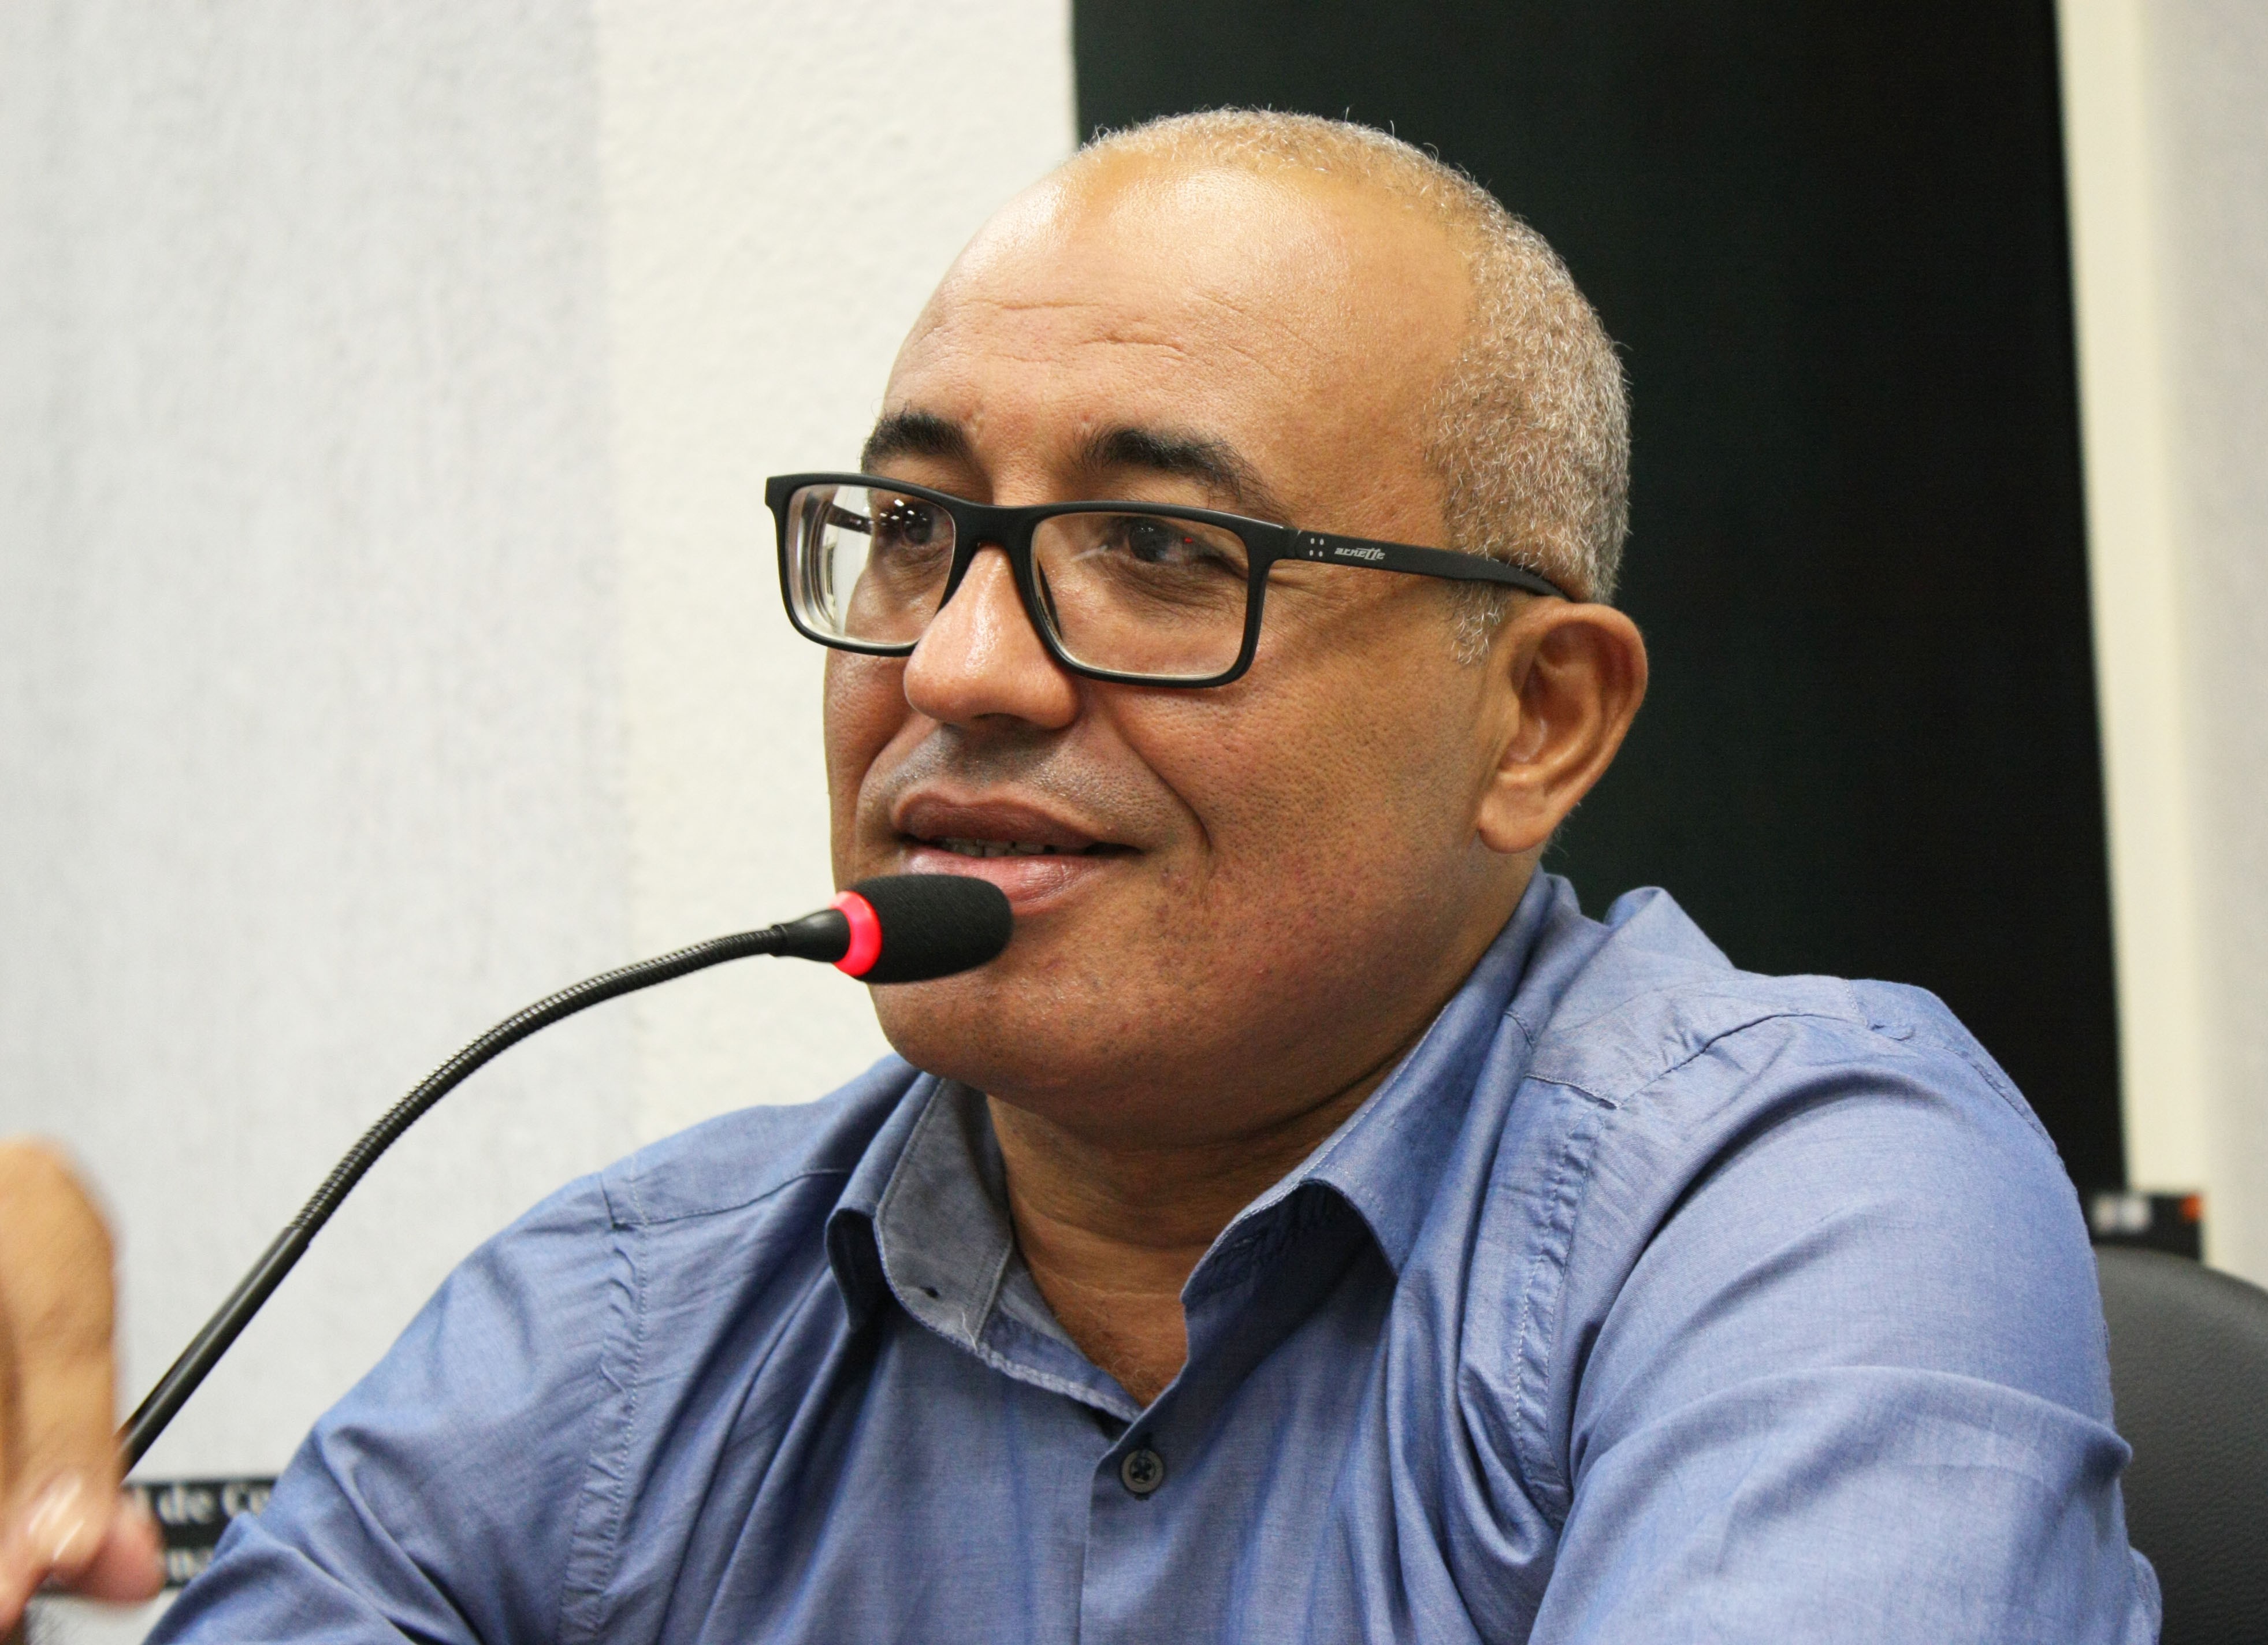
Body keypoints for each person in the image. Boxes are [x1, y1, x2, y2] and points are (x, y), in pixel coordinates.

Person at [4, 111, 2159, 1641]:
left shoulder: (1802, 1202)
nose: (957, 668)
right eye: (911, 531)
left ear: (1538, 721)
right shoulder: (630, 1322)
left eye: (1157, 550)